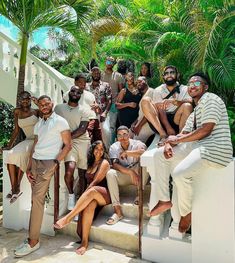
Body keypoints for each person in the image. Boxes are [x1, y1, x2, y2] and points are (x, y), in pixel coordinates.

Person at [148, 72, 233, 233]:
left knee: (180, 173)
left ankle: (186, 213)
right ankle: (165, 200)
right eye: (190, 83)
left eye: (197, 83)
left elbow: (206, 130)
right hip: (200, 146)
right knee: (159, 154)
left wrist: (177, 141)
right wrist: (168, 143)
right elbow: (182, 134)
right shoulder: (195, 110)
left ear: (205, 87)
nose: (192, 85)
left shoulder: (211, 99)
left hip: (215, 149)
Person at [14, 95, 71, 257]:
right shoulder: (39, 124)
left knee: (37, 201)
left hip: (48, 163)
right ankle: (33, 239)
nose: (45, 106)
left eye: (47, 103)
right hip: (35, 163)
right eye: (41, 104)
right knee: (35, 200)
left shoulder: (60, 121)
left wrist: (55, 162)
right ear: (38, 106)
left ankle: (33, 241)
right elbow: (35, 145)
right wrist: (29, 166)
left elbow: (68, 145)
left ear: (52, 104)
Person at [54, 141, 111, 255]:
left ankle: (68, 218)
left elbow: (95, 182)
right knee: (89, 206)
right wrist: (84, 196)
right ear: (92, 149)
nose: (99, 151)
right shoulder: (90, 163)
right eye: (96, 148)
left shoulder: (104, 162)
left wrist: (85, 194)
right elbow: (84, 182)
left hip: (104, 194)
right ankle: (84, 242)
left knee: (91, 191)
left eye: (101, 149)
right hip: (92, 195)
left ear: (104, 151)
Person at [54, 86, 90, 211]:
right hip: (68, 144)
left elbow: (82, 129)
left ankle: (83, 198)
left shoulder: (85, 110)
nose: (75, 93)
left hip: (82, 141)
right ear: (69, 93)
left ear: (81, 95)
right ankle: (71, 195)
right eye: (73, 91)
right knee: (69, 171)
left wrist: (66, 139)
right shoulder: (58, 108)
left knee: (82, 172)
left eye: (79, 92)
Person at [1, 91, 39, 204]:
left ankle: (16, 189)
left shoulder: (36, 111)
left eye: (27, 98)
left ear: (30, 99)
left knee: (22, 155)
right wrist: (9, 145)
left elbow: (48, 116)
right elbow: (16, 130)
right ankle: (15, 188)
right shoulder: (17, 112)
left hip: (37, 140)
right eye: (22, 99)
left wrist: (37, 103)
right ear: (19, 100)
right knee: (10, 156)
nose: (25, 101)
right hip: (27, 140)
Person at [106, 126, 147, 225]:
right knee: (110, 173)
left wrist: (127, 153)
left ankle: (139, 194)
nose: (123, 137)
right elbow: (115, 164)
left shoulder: (137, 143)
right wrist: (129, 172)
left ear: (129, 135)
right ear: (117, 137)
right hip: (125, 174)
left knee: (145, 163)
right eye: (119, 135)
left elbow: (143, 152)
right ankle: (117, 211)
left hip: (138, 173)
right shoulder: (114, 147)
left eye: (125, 134)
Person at [141, 65, 193, 145]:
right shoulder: (158, 90)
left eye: (172, 72)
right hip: (161, 122)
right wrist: (168, 127)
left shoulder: (185, 88)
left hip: (178, 119)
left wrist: (176, 102)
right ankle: (163, 135)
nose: (169, 75)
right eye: (166, 73)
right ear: (163, 77)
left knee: (187, 106)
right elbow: (160, 109)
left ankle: (181, 136)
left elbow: (191, 101)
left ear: (177, 75)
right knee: (145, 100)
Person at [86, 67, 112, 148]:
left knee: (106, 133)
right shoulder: (86, 86)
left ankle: (107, 151)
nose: (96, 75)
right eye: (94, 73)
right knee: (90, 135)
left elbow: (109, 100)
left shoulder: (105, 85)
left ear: (100, 74)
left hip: (102, 114)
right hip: (89, 115)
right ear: (91, 74)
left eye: (98, 73)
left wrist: (105, 113)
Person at [101, 56, 124, 143]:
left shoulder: (118, 76)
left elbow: (121, 90)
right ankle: (102, 144)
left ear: (114, 64)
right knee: (102, 126)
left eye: (112, 61)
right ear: (105, 62)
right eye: (108, 61)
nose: (109, 63)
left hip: (114, 105)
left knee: (112, 127)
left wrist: (118, 103)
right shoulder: (101, 74)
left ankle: (110, 145)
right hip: (102, 105)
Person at [131, 76, 155, 144]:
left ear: (146, 81)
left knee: (136, 142)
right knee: (129, 134)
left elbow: (150, 112)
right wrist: (135, 123)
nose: (138, 83)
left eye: (140, 81)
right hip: (140, 122)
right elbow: (141, 113)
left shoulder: (151, 92)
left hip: (148, 123)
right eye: (137, 82)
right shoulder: (143, 94)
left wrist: (139, 126)